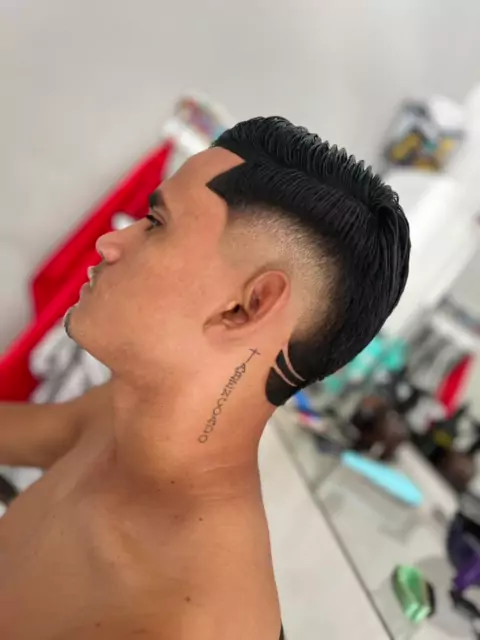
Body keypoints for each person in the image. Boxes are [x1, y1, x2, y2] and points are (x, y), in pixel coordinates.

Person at [0, 116, 410, 639]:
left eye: (155, 223)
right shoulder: (117, 418)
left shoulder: (183, 623)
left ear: (245, 306)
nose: (109, 242)